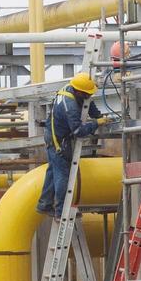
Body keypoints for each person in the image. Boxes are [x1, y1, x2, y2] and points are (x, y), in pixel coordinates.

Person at [36, 73, 108, 218]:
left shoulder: (71, 88)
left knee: (53, 171)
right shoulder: (70, 106)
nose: (89, 96)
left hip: (53, 135)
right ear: (79, 92)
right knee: (62, 174)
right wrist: (95, 123)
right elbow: (78, 131)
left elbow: (88, 102)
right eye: (87, 94)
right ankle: (61, 211)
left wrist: (97, 115)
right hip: (59, 141)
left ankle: (44, 204)